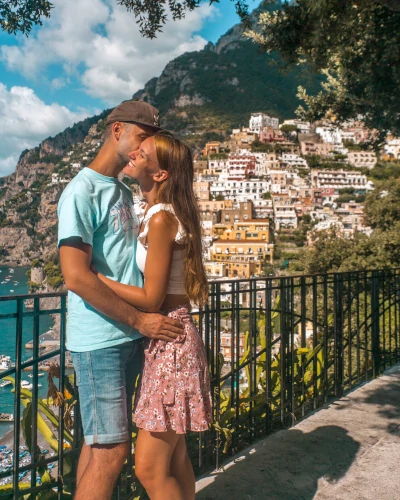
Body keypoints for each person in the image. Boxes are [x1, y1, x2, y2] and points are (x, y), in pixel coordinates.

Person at [57, 100, 184, 500]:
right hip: (101, 340)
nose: (143, 148)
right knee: (113, 452)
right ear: (118, 130)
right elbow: (76, 276)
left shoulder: (121, 189)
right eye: (143, 137)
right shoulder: (81, 190)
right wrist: (142, 320)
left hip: (127, 335)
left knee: (98, 447)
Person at [92, 131, 213, 500]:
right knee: (175, 457)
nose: (131, 154)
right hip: (173, 337)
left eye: (141, 154)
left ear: (159, 174)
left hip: (170, 340)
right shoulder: (158, 214)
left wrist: (94, 278)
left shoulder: (161, 219)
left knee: (148, 466)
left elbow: (150, 297)